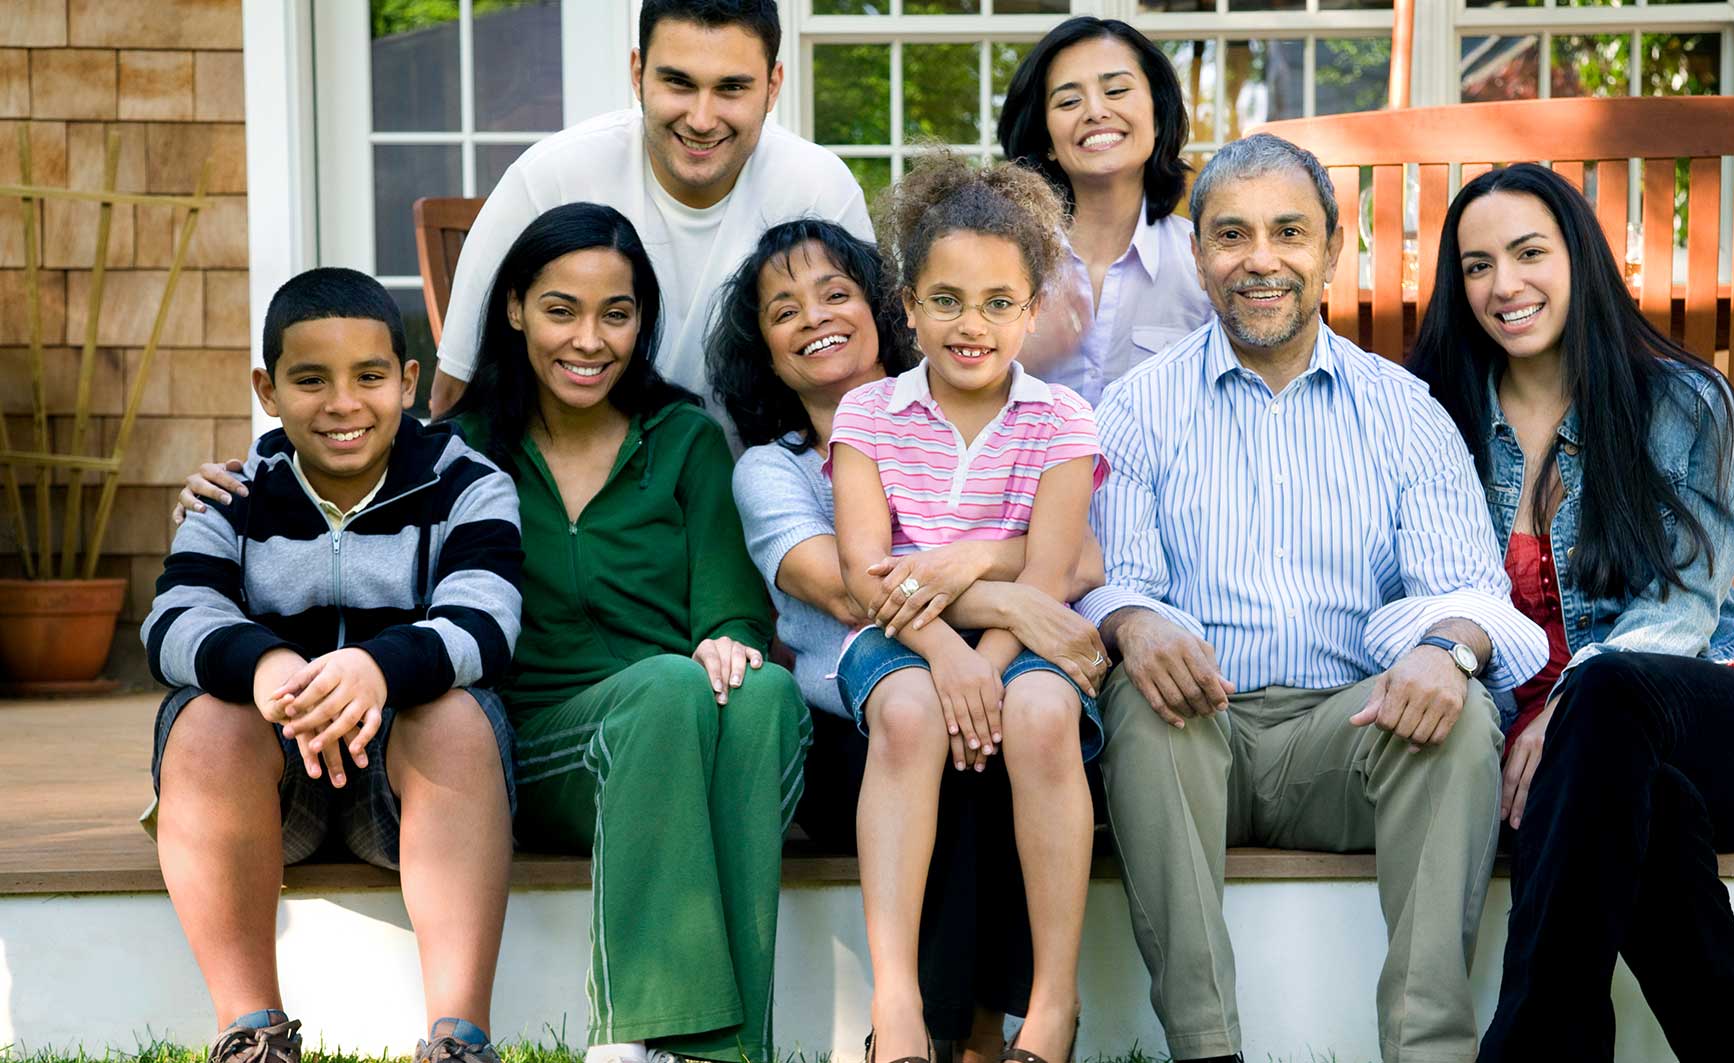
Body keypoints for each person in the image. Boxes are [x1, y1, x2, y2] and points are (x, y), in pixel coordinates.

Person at [177, 204, 809, 1063]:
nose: (588, 339)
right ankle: (639, 1033)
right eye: (561, 310)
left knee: (763, 688)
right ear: (514, 309)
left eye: (616, 314)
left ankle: (729, 1051)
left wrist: (730, 636)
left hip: (668, 718)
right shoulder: (464, 451)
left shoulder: (686, 438)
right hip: (548, 737)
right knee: (667, 689)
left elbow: (730, 610)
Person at [1079, 134, 1549, 1063]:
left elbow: (1476, 597)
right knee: (1138, 685)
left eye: (1289, 232)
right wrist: (1132, 621)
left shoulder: (1404, 410)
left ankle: (1428, 1049)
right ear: (1200, 256)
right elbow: (1104, 581)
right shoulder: (1137, 407)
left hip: (1347, 735)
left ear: (1332, 250)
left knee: (1452, 717)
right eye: (1231, 235)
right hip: (1193, 734)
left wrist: (1447, 646)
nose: (1261, 259)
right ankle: (1207, 1047)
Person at [1406, 162, 1734, 1063]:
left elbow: (1683, 601)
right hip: (1556, 780)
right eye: (1477, 265)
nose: (1503, 285)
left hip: (1714, 716)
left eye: (1528, 253)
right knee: (1653, 817)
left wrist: (1564, 704)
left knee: (1609, 697)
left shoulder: (1680, 398)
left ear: (1580, 258)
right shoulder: (1434, 415)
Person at [707, 219, 1109, 1063]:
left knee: (1000, 738)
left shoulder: (1034, 417)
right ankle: (930, 1026)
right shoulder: (777, 467)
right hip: (858, 712)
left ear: (877, 308)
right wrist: (1006, 605)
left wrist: (971, 566)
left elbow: (1077, 554)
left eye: (834, 294)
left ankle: (999, 1027)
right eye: (785, 309)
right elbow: (856, 582)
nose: (815, 316)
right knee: (933, 730)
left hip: (966, 675)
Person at [142, 268, 523, 1063]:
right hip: (270, 794)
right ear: (268, 388)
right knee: (206, 717)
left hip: (410, 785)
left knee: (457, 711)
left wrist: (379, 668)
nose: (343, 403)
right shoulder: (232, 496)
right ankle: (253, 1030)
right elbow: (172, 620)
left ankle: (459, 1036)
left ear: (409, 380)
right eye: (310, 379)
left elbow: (487, 620)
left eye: (370, 377)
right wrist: (265, 664)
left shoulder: (467, 483)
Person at [828, 152, 1105, 1063]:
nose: (970, 324)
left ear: (1032, 309)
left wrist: (984, 659)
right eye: (945, 299)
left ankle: (1052, 1009)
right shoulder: (868, 415)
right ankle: (899, 1005)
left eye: (997, 302)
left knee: (1041, 707)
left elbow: (1051, 577)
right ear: (907, 305)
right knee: (908, 713)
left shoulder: (1061, 420)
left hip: (1011, 642)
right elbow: (871, 574)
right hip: (898, 642)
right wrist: (950, 660)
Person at [426, 0, 872, 420]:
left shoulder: (819, 188)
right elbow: (457, 392)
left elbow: (871, 385)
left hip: (768, 476)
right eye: (679, 83)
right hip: (576, 487)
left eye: (731, 88)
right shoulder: (550, 177)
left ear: (772, 86)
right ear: (637, 72)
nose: (701, 119)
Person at [997, 16, 1210, 404]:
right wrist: (1005, 355)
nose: (1095, 111)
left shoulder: (1205, 266)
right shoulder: (998, 264)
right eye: (1069, 101)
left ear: (1158, 116)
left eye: (1115, 91)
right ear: (1046, 139)